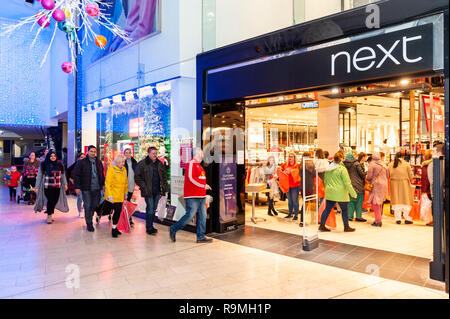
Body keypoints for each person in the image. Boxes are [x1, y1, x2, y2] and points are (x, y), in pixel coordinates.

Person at [169, 147, 212, 243]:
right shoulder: (191, 163)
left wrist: (205, 185)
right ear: (197, 154)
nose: (203, 155)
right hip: (192, 196)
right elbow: (191, 178)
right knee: (190, 215)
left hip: (201, 195)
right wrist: (203, 185)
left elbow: (199, 178)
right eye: (201, 153)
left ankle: (201, 237)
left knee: (202, 216)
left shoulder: (199, 165)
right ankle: (173, 229)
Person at [134, 146, 169, 235]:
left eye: (156, 153)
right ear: (148, 153)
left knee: (153, 209)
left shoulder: (159, 163)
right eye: (153, 153)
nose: (155, 155)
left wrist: (164, 188)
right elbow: (137, 177)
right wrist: (143, 186)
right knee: (150, 209)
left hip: (157, 191)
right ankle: (149, 228)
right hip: (148, 190)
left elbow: (164, 176)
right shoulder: (142, 163)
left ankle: (151, 225)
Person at [319, 152, 356, 232]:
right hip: (340, 193)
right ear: (342, 159)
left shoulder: (328, 168)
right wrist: (353, 193)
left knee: (327, 209)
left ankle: (322, 225)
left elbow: (325, 181)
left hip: (330, 192)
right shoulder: (342, 169)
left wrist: (327, 188)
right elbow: (347, 183)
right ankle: (346, 227)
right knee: (344, 210)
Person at [74, 145, 105, 232]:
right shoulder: (81, 162)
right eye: (91, 151)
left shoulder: (99, 162)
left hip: (97, 188)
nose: (93, 153)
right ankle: (89, 223)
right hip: (86, 188)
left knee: (95, 205)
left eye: (94, 151)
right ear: (87, 152)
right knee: (88, 205)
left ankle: (90, 216)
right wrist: (77, 187)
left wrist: (103, 184)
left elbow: (102, 174)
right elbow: (76, 175)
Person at [34, 150, 69, 224]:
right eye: (51, 156)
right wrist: (36, 187)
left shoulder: (59, 164)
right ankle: (49, 215)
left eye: (54, 156)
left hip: (57, 186)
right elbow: (39, 176)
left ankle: (50, 212)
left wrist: (65, 184)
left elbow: (63, 175)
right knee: (50, 200)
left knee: (55, 200)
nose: (53, 157)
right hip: (47, 186)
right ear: (48, 157)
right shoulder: (44, 164)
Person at [105, 154, 128, 238]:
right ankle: (114, 229)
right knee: (117, 211)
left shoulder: (124, 170)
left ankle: (115, 227)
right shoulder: (111, 170)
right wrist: (110, 196)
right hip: (114, 195)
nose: (123, 163)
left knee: (118, 212)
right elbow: (108, 183)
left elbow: (125, 183)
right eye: (122, 162)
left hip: (121, 195)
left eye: (124, 162)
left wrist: (126, 193)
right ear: (117, 162)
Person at [388, 152, 414, 225]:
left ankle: (398, 219)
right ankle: (407, 218)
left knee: (396, 201)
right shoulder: (406, 164)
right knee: (406, 201)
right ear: (402, 157)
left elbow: (388, 174)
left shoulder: (390, 164)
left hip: (394, 184)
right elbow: (411, 176)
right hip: (404, 184)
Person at [366, 152, 389, 227]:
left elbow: (369, 176)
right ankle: (378, 219)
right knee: (380, 202)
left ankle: (378, 221)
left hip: (376, 185)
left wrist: (367, 179)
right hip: (384, 184)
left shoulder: (372, 164)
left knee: (375, 203)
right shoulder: (384, 164)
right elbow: (388, 175)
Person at [343, 152, 367, 222]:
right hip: (358, 184)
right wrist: (366, 172)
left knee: (351, 201)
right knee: (359, 201)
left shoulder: (344, 165)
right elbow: (362, 174)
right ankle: (358, 216)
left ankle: (350, 216)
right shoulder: (356, 164)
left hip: (350, 184)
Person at [280, 153, 301, 220]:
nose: (290, 158)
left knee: (295, 200)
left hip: (295, 186)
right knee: (289, 201)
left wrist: (291, 171)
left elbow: (298, 173)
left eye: (291, 157)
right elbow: (280, 170)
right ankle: (290, 213)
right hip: (287, 185)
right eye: (289, 157)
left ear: (294, 158)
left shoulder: (297, 165)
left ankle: (296, 215)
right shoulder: (285, 164)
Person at [67, 153, 86, 218]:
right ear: (78, 158)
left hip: (85, 184)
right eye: (81, 157)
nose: (82, 158)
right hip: (78, 184)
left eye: (84, 157)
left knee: (86, 199)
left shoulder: (87, 165)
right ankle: (80, 211)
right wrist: (71, 179)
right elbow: (67, 171)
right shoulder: (75, 164)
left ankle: (83, 209)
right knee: (80, 198)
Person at [124, 148, 138, 226]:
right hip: (124, 187)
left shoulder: (134, 162)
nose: (128, 154)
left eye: (129, 152)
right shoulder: (122, 162)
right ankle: (125, 219)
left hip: (131, 186)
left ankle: (128, 218)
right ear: (124, 154)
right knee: (124, 203)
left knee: (128, 203)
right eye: (126, 153)